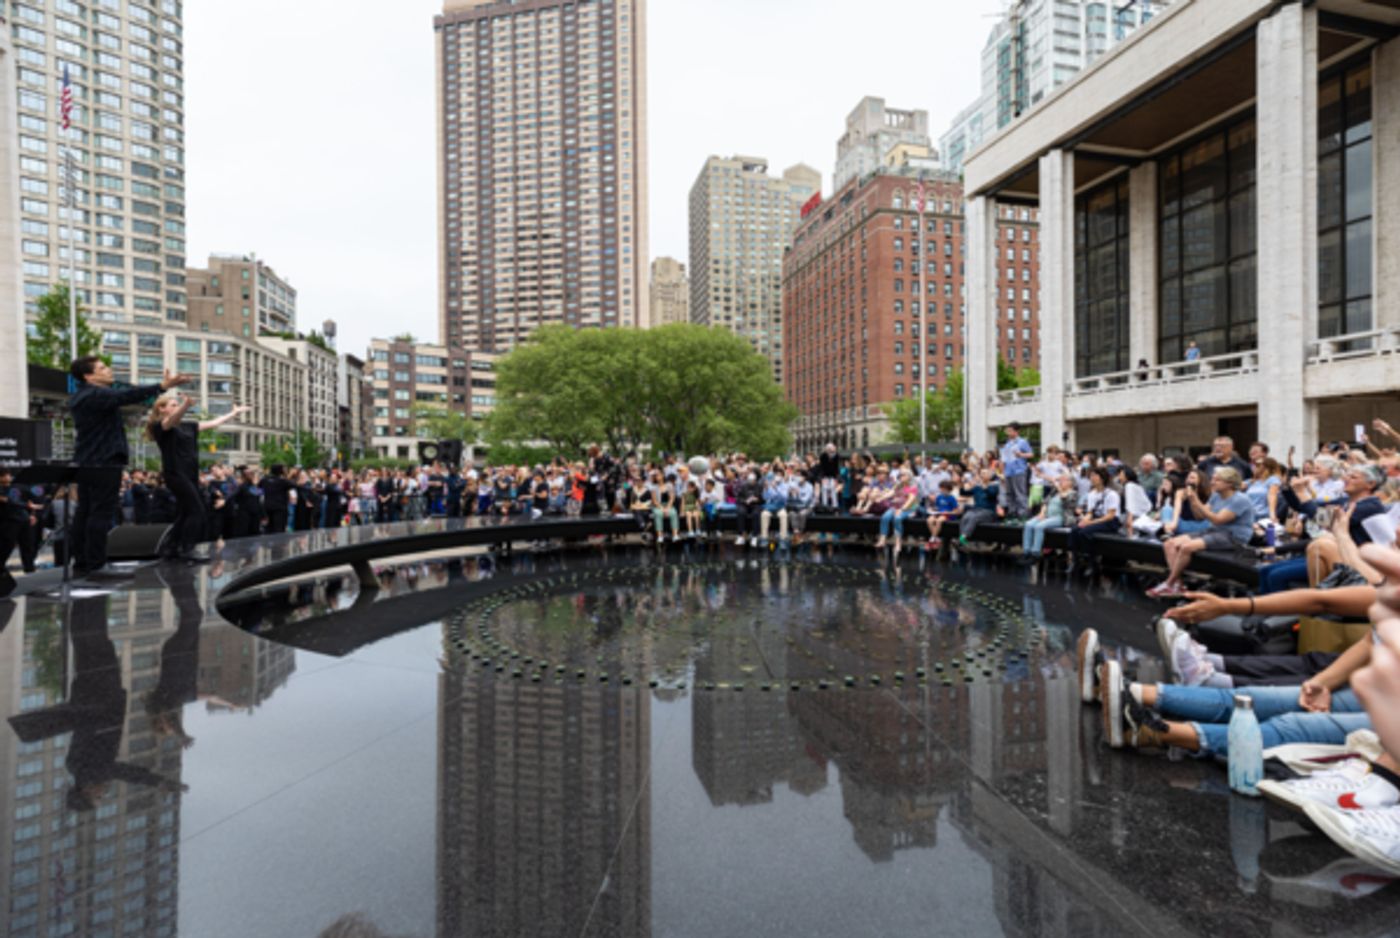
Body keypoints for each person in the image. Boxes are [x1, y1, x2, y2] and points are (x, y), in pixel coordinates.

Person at [67, 357, 190, 576]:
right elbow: (127, 396)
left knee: (85, 512)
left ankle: (83, 562)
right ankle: (96, 564)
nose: (109, 370)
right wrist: (162, 386)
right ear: (88, 376)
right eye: (102, 368)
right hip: (104, 460)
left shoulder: (81, 396)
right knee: (100, 513)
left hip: (88, 460)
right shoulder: (95, 394)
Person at [145, 395, 248, 561]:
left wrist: (233, 413)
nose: (177, 407)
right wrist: (186, 404)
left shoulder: (189, 426)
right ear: (161, 409)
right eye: (173, 404)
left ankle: (170, 547)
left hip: (190, 474)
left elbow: (214, 423)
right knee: (197, 511)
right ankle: (187, 549)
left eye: (177, 404)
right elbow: (173, 419)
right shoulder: (162, 427)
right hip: (175, 474)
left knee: (186, 512)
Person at [1147, 466, 1254, 598]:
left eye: (1217, 480)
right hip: (1215, 530)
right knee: (1169, 543)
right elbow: (1200, 516)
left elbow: (1217, 519)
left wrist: (1196, 500)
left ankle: (1169, 583)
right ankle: (1177, 584)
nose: (1212, 482)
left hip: (1233, 536)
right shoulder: (1216, 496)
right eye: (1213, 479)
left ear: (1229, 484)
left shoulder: (1240, 499)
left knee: (1187, 547)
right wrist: (1193, 499)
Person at [1067, 467, 1120, 571]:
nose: (1091, 478)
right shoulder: (1091, 494)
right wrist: (1084, 520)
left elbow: (1110, 515)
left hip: (1110, 522)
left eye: (1094, 476)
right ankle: (1075, 560)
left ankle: (1092, 561)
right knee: (1074, 530)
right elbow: (1091, 512)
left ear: (1102, 478)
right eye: (1091, 476)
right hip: (1096, 519)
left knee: (1085, 532)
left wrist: (1090, 522)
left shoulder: (1112, 494)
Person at [1020, 474, 1076, 564]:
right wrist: (1042, 513)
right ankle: (1026, 552)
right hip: (1047, 515)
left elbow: (1065, 502)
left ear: (1070, 483)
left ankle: (1035, 554)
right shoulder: (1054, 491)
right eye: (1060, 480)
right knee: (1028, 524)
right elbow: (1045, 502)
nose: (1061, 482)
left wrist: (1059, 488)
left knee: (1039, 526)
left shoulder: (1073, 493)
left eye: (1063, 480)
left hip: (1060, 517)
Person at [999, 423, 1034, 520]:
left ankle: (1023, 513)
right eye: (1007, 430)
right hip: (1008, 471)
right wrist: (1002, 472)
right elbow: (1003, 459)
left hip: (1019, 470)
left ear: (1016, 431)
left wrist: (1021, 455)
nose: (1008, 432)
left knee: (1020, 492)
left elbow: (1031, 454)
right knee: (1009, 493)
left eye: (1010, 430)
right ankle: (1012, 512)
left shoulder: (1022, 442)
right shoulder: (1007, 444)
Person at [263, 464, 292, 535]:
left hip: (268, 507)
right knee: (279, 528)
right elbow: (294, 485)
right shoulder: (282, 481)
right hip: (280, 508)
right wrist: (289, 475)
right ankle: (278, 544)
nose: (285, 470)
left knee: (270, 527)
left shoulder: (265, 480)